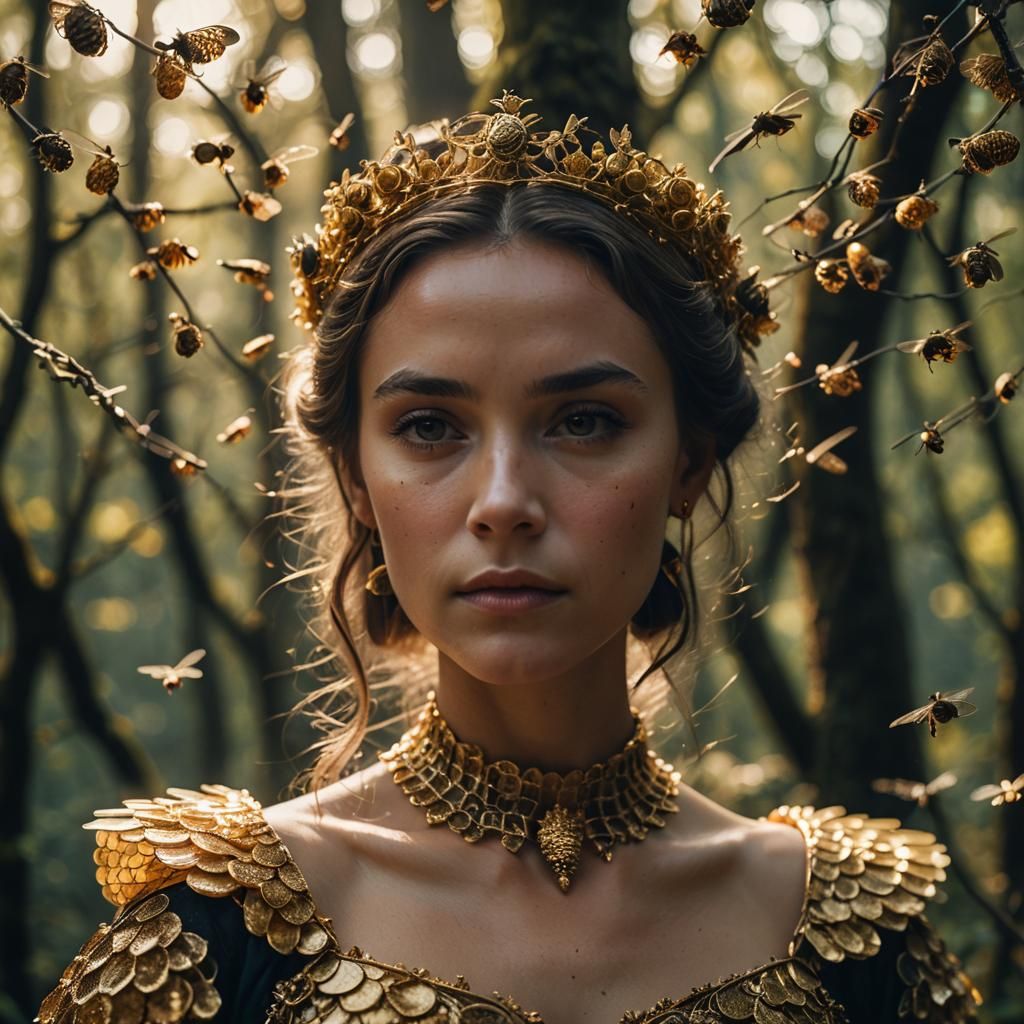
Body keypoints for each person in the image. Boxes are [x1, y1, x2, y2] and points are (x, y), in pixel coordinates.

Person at [37, 90, 980, 1024]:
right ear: (356, 477)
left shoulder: (852, 936)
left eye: (583, 421)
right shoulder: (209, 934)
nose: (502, 504)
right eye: (430, 426)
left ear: (687, 464)